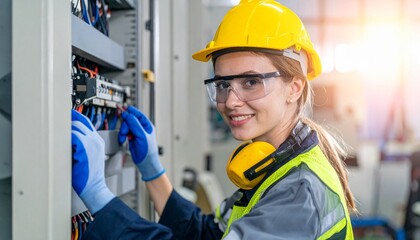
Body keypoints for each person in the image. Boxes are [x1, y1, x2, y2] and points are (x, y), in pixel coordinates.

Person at [71, 0, 356, 239]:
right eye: (222, 85)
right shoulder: (271, 165)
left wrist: (100, 197)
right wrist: (152, 172)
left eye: (251, 82)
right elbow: (209, 234)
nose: (231, 101)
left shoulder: (299, 193)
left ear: (294, 87)